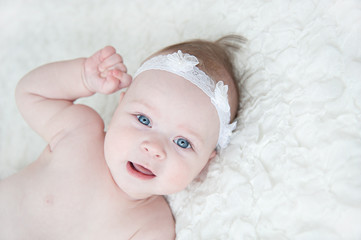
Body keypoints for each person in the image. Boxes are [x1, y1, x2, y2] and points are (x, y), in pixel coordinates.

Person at [0, 35, 244, 239]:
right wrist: (83, 77)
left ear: (205, 163)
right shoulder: (80, 133)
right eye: (143, 119)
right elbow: (31, 93)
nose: (153, 147)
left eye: (183, 142)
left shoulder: (153, 225)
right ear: (119, 107)